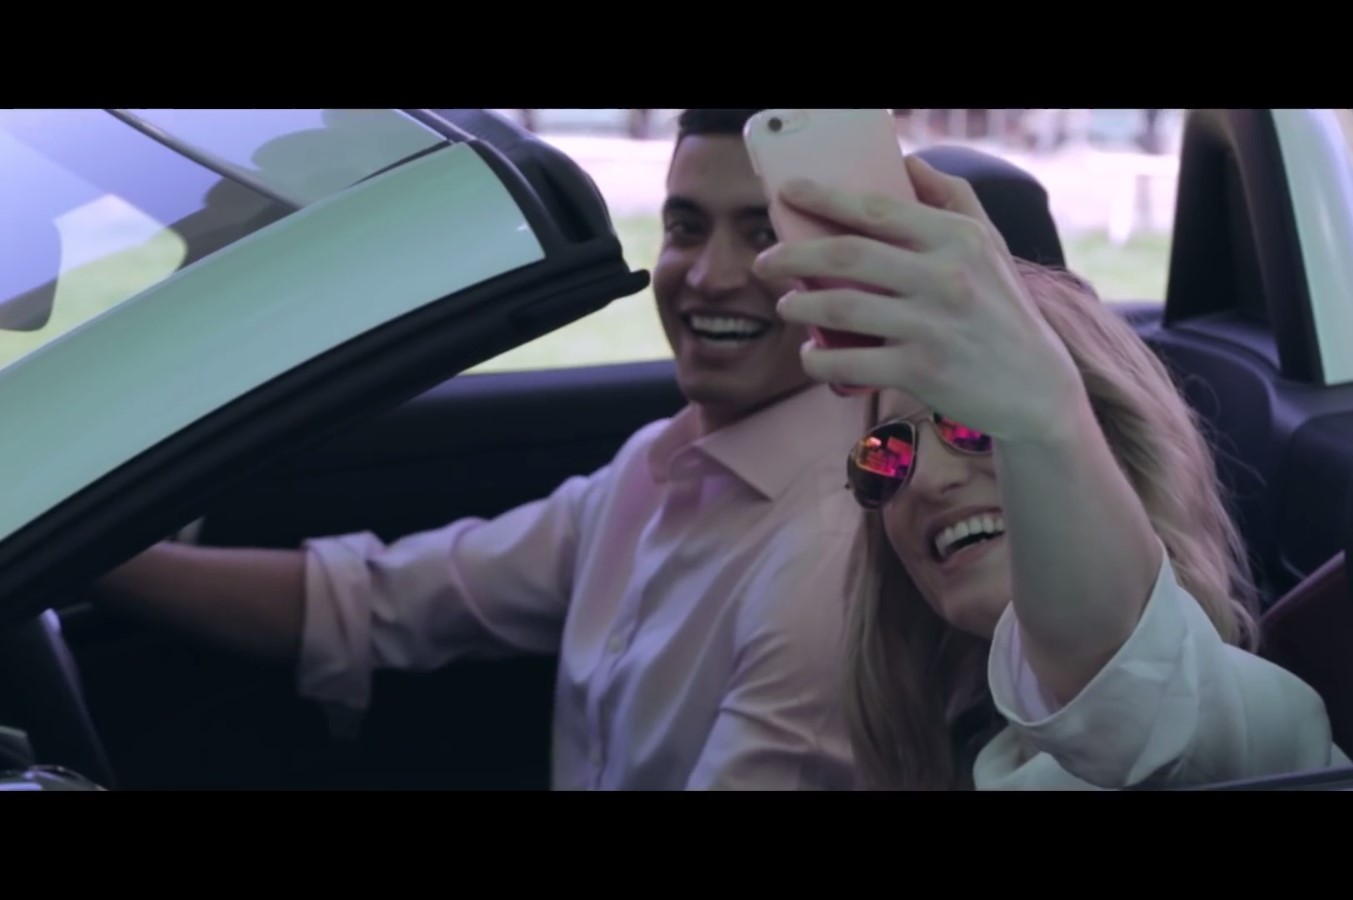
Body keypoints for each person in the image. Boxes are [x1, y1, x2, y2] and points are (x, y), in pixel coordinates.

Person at [94, 109, 867, 790]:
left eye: (767, 236)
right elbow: (386, 601)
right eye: (685, 227)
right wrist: (97, 556)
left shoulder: (834, 546)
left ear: (857, 270)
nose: (708, 275)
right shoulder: (655, 467)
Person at [758, 158, 1349, 790]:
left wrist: (1042, 415)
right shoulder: (948, 740)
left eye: (976, 421)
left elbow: (1130, 690)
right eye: (886, 454)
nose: (927, 479)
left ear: (1109, 447)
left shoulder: (1227, 727)